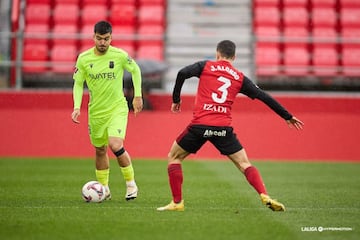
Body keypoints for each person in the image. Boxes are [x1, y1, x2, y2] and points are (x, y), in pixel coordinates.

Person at [157, 40, 304, 212]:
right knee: (244, 164)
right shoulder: (239, 77)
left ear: (217, 53)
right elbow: (263, 96)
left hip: (199, 126)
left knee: (174, 157)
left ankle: (177, 202)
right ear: (234, 57)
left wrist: (176, 100)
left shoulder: (206, 66)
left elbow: (182, 73)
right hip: (222, 129)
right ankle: (264, 194)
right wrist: (287, 116)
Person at [71, 21, 143, 201]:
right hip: (96, 113)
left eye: (107, 39)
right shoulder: (84, 58)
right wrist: (76, 106)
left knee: (115, 144)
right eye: (99, 38)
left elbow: (135, 70)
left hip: (117, 108)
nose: (103, 42)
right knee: (100, 150)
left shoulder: (119, 55)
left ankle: (131, 184)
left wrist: (137, 95)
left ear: (111, 37)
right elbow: (78, 84)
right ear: (93, 37)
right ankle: (104, 188)